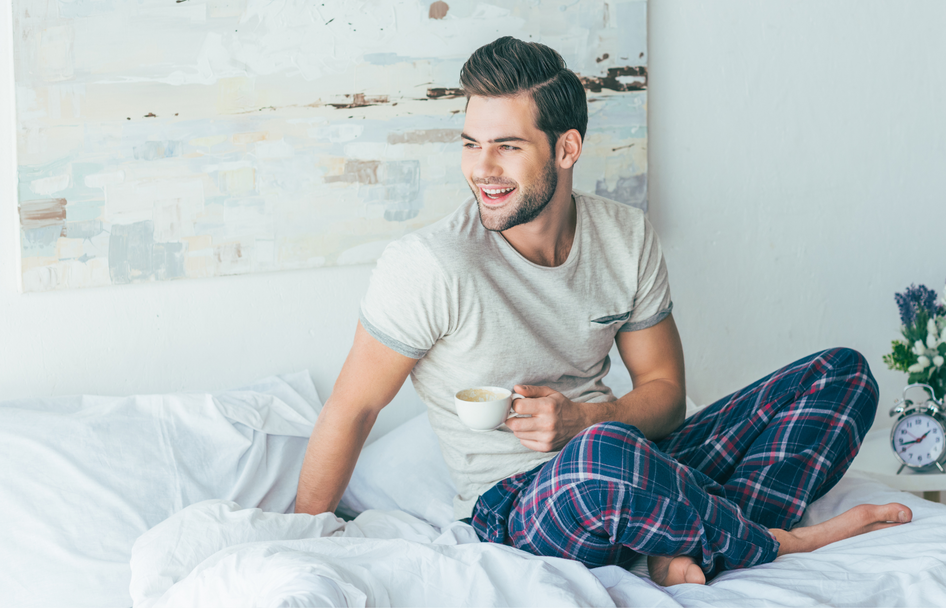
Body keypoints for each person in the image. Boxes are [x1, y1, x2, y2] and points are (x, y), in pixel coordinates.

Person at [295, 36, 912, 585]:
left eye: (506, 147)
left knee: (844, 374)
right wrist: (299, 538)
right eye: (471, 144)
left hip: (633, 455)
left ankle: (680, 536)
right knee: (604, 458)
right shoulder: (430, 265)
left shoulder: (626, 237)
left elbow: (667, 395)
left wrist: (585, 418)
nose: (480, 170)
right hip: (525, 505)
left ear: (566, 148)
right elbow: (353, 408)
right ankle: (766, 540)